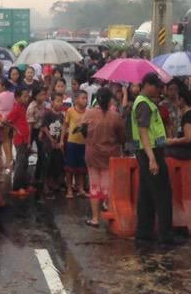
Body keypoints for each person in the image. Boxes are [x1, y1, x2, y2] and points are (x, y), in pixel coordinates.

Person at [132, 73, 175, 244]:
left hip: (147, 151)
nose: (159, 91)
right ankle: (166, 235)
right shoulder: (143, 104)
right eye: (157, 87)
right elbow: (143, 131)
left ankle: (144, 231)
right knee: (163, 194)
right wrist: (152, 159)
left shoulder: (146, 102)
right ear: (148, 85)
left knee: (147, 194)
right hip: (150, 152)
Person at [81, 87, 126, 227]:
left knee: (94, 186)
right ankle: (111, 215)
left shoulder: (88, 114)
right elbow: (122, 137)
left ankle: (95, 218)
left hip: (92, 154)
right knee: (108, 186)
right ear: (110, 100)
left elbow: (83, 131)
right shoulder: (116, 116)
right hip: (110, 155)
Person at [164, 86, 191, 161]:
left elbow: (188, 138)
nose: (175, 102)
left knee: (163, 151)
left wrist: (173, 141)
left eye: (177, 100)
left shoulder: (187, 116)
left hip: (189, 151)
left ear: (181, 100)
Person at [63, 90, 89, 198]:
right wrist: (61, 140)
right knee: (70, 167)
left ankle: (81, 188)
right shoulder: (70, 111)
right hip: (72, 142)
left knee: (82, 167)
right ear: (76, 99)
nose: (85, 100)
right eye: (83, 98)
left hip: (84, 143)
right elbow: (65, 126)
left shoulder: (88, 112)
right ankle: (69, 189)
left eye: (86, 98)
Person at [6, 86, 31, 196]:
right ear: (17, 97)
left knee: (25, 162)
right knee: (20, 163)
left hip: (25, 138)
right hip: (19, 139)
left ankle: (24, 185)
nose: (27, 98)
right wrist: (15, 129)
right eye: (24, 96)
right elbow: (6, 120)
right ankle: (17, 187)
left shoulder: (23, 107)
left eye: (27, 96)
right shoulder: (16, 108)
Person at [40, 93, 66, 196]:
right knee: (47, 164)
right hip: (48, 143)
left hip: (57, 143)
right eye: (57, 101)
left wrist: (61, 141)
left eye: (61, 101)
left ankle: (53, 183)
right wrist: (51, 140)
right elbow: (45, 127)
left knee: (56, 163)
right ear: (52, 102)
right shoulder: (48, 114)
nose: (59, 103)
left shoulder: (61, 115)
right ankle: (45, 184)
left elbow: (63, 127)